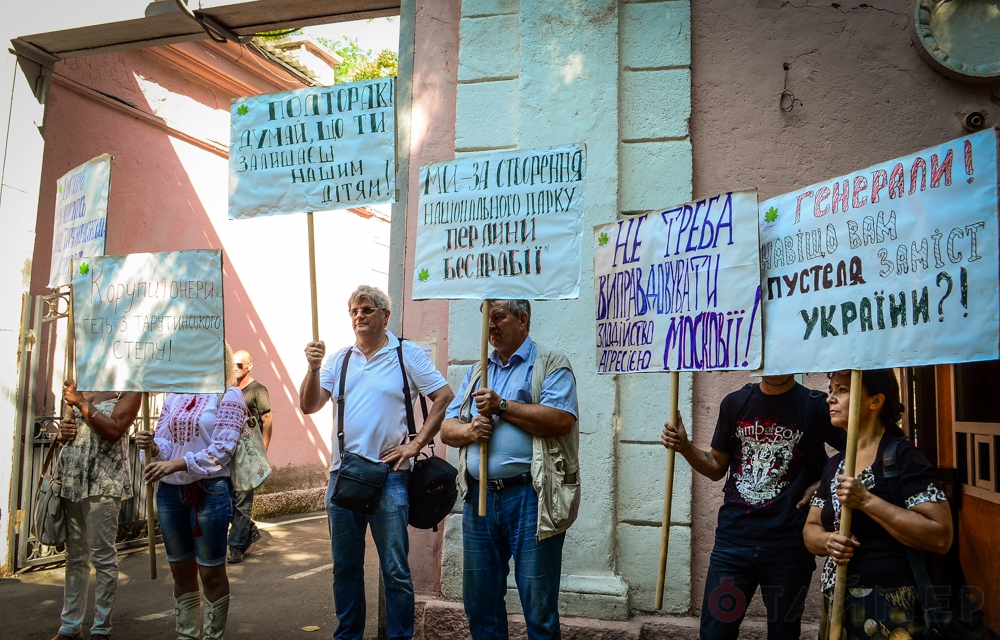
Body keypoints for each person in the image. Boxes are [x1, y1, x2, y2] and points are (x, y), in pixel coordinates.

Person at [299, 285, 454, 640]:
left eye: (367, 309)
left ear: (385, 316)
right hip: (344, 475)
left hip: (391, 478)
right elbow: (309, 405)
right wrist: (312, 367)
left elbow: (443, 396)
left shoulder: (406, 354)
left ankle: (400, 636)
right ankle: (348, 635)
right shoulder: (340, 359)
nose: (359, 316)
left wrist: (415, 445)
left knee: (395, 570)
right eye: (354, 310)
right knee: (345, 569)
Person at [660, 374, 846, 640]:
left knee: (784, 634)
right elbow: (716, 467)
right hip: (733, 543)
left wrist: (822, 485)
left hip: (789, 546)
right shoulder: (735, 403)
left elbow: (857, 450)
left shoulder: (814, 405)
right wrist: (685, 447)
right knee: (715, 633)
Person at [440, 299, 580, 640]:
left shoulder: (550, 362)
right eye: (486, 319)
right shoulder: (478, 370)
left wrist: (502, 405)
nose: (490, 325)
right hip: (480, 499)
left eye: (498, 316)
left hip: (530, 497)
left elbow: (561, 420)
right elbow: (447, 428)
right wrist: (471, 431)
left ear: (523, 320)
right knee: (480, 602)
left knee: (538, 605)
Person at [804, 369, 952, 639]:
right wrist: (828, 541)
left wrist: (867, 501)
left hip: (892, 605)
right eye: (831, 389)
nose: (830, 399)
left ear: (875, 401)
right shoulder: (835, 464)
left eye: (842, 390)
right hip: (837, 602)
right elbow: (811, 528)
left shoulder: (903, 457)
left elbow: (941, 535)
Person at [136, 345, 247, 640]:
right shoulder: (175, 395)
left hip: (210, 491)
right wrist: (152, 446)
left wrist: (178, 463)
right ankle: (186, 635)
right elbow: (164, 443)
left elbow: (222, 450)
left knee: (210, 572)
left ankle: (212, 636)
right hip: (171, 494)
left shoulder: (228, 394)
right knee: (180, 571)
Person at [51, 382, 142, 640]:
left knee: (102, 557)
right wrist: (62, 433)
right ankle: (69, 627)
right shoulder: (81, 385)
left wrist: (81, 403)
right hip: (71, 482)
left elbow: (114, 430)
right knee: (75, 558)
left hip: (103, 483)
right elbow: (70, 434)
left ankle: (101, 628)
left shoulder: (129, 390)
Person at [227, 348, 273, 564]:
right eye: (233, 364)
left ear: (249, 366)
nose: (235, 369)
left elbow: (267, 419)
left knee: (243, 500)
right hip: (227, 452)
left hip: (247, 454)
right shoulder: (228, 389)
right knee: (226, 500)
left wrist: (262, 451)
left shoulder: (257, 389)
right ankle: (250, 530)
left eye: (239, 365)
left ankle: (236, 546)